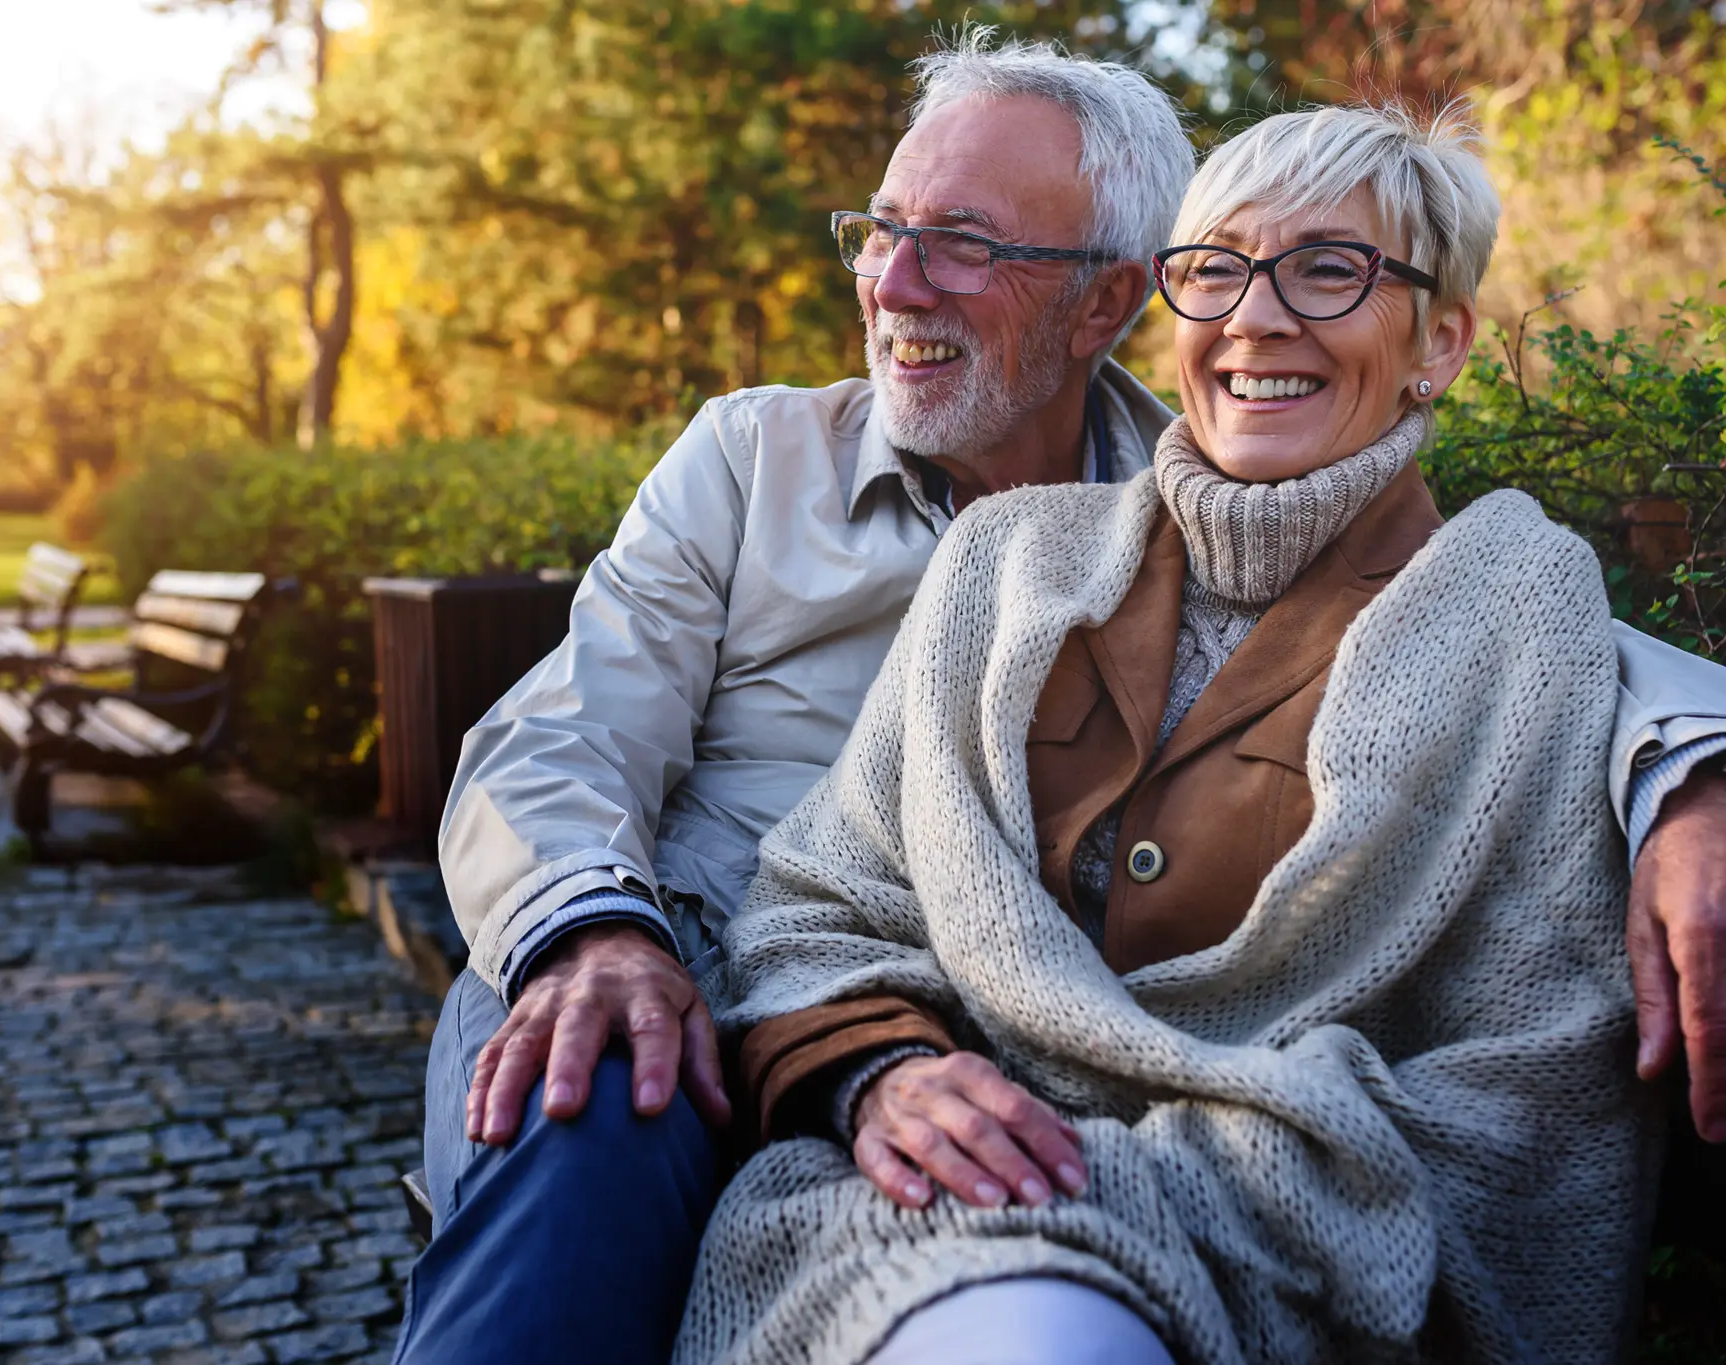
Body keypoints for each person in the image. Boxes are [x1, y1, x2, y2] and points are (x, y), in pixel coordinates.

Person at [395, 31, 1726, 1365]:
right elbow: (563, 734)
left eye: (963, 244)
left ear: (1106, 306)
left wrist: (1695, 768)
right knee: (585, 1109)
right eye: (883, 232)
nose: (894, 284)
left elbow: (1515, 624)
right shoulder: (758, 460)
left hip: (959, 1079)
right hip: (671, 954)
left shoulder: (1210, 488)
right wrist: (598, 938)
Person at [680, 98, 1650, 1365]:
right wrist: (883, 1076)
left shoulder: (1517, 608)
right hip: (917, 1219)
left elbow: (1530, 1070)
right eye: (1213, 272)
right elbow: (822, 899)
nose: (1254, 317)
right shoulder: (1006, 560)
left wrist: (1127, 1183)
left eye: (1327, 270)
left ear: (1440, 340)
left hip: (1292, 1249)